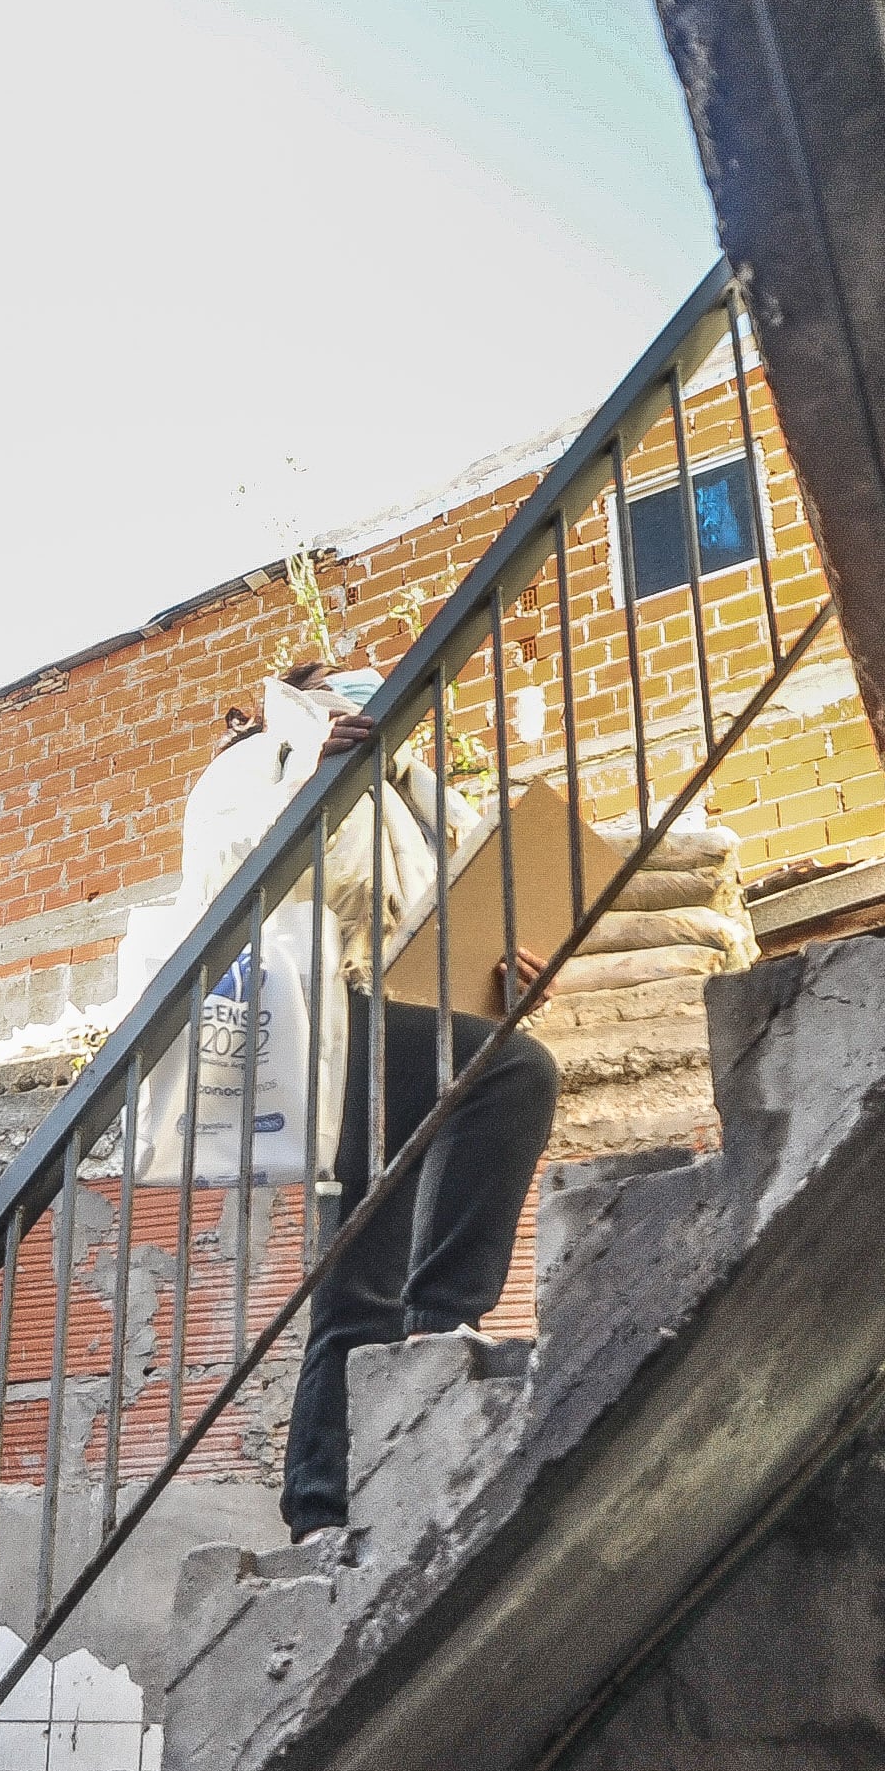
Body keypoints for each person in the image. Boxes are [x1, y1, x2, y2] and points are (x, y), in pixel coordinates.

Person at [174, 653, 559, 1537]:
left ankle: (321, 1504)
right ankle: (442, 1327)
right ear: (305, 693)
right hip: (313, 1017)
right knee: (517, 1073)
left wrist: (505, 981)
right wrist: (317, 785)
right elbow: (230, 879)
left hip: (396, 1025)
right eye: (346, 679)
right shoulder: (259, 760)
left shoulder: (419, 803)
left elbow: (439, 940)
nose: (369, 688)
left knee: (362, 1273)